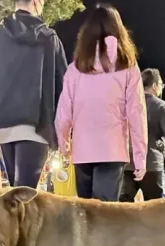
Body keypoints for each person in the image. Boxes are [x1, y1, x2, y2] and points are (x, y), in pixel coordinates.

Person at [55, 4, 147, 202]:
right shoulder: (128, 67)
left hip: (82, 151)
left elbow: (63, 113)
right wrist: (140, 156)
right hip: (113, 149)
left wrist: (64, 144)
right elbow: (137, 113)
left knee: (85, 213)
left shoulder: (75, 69)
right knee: (105, 215)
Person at [0, 0, 67, 188]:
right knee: (24, 194)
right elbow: (63, 86)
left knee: (16, 194)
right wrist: (64, 129)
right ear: (36, 2)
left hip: (5, 125)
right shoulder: (49, 38)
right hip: (38, 124)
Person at [119, 68, 165, 202]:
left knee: (123, 209)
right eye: (161, 85)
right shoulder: (162, 106)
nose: (162, 88)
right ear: (154, 86)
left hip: (127, 164)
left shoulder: (127, 105)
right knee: (155, 210)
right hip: (152, 165)